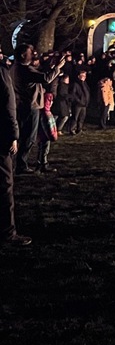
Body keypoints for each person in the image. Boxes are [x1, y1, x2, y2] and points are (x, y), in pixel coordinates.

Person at [12, 44, 65, 174]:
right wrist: (57, 68)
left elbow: (41, 75)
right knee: (29, 136)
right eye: (31, 52)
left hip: (28, 105)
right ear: (24, 55)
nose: (34, 54)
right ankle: (21, 164)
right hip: (31, 106)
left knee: (36, 135)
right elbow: (45, 78)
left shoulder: (15, 68)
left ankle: (38, 162)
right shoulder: (25, 70)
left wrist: (52, 67)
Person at [1, 62, 32, 245]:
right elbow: (7, 103)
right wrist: (13, 134)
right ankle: (7, 231)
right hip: (1, 136)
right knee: (4, 184)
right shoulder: (2, 72)